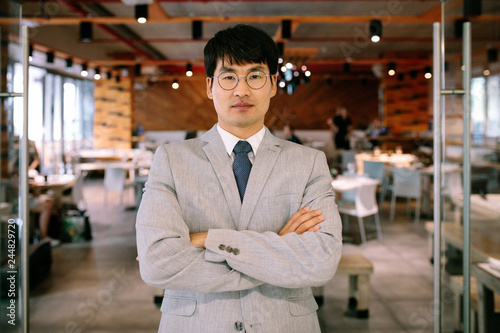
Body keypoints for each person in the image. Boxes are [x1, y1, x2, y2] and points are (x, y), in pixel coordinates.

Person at [136, 24, 342, 333]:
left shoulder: (309, 163)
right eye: (229, 76)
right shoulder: (171, 160)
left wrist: (213, 241)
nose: (241, 90)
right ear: (209, 86)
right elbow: (158, 264)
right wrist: (280, 246)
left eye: (255, 76)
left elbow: (321, 262)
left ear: (273, 84)